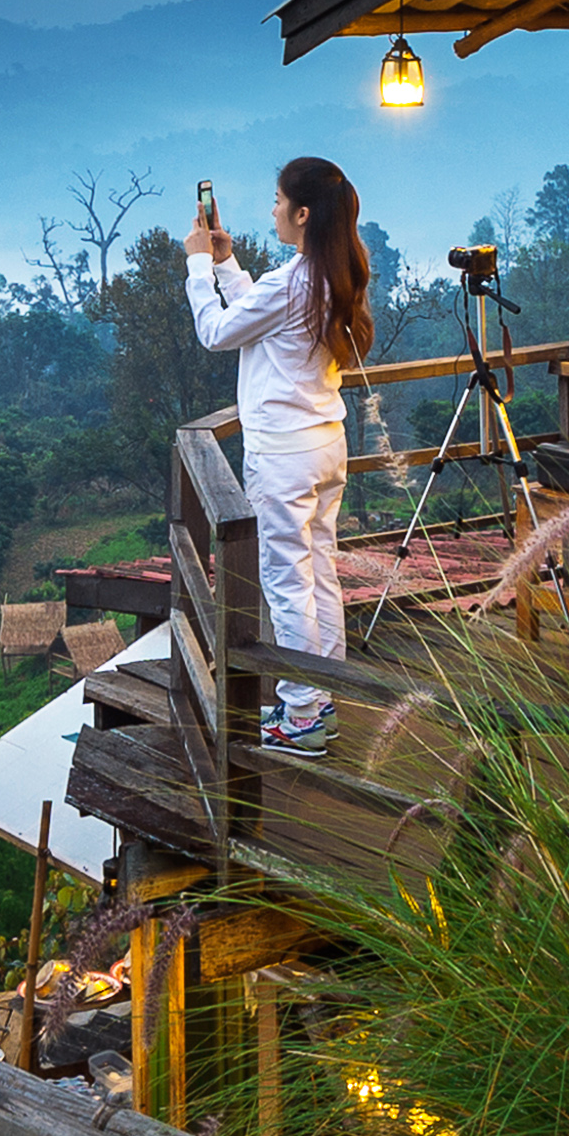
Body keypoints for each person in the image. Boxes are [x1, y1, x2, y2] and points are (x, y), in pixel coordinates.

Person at [187, 156, 375, 756]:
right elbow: (260, 318)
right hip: (325, 445)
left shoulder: (293, 281)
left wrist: (196, 263)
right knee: (319, 571)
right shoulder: (326, 273)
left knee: (288, 581)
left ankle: (301, 715)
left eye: (276, 201)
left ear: (301, 213)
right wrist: (227, 262)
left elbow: (217, 332)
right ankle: (320, 698)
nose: (270, 210)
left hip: (284, 456)